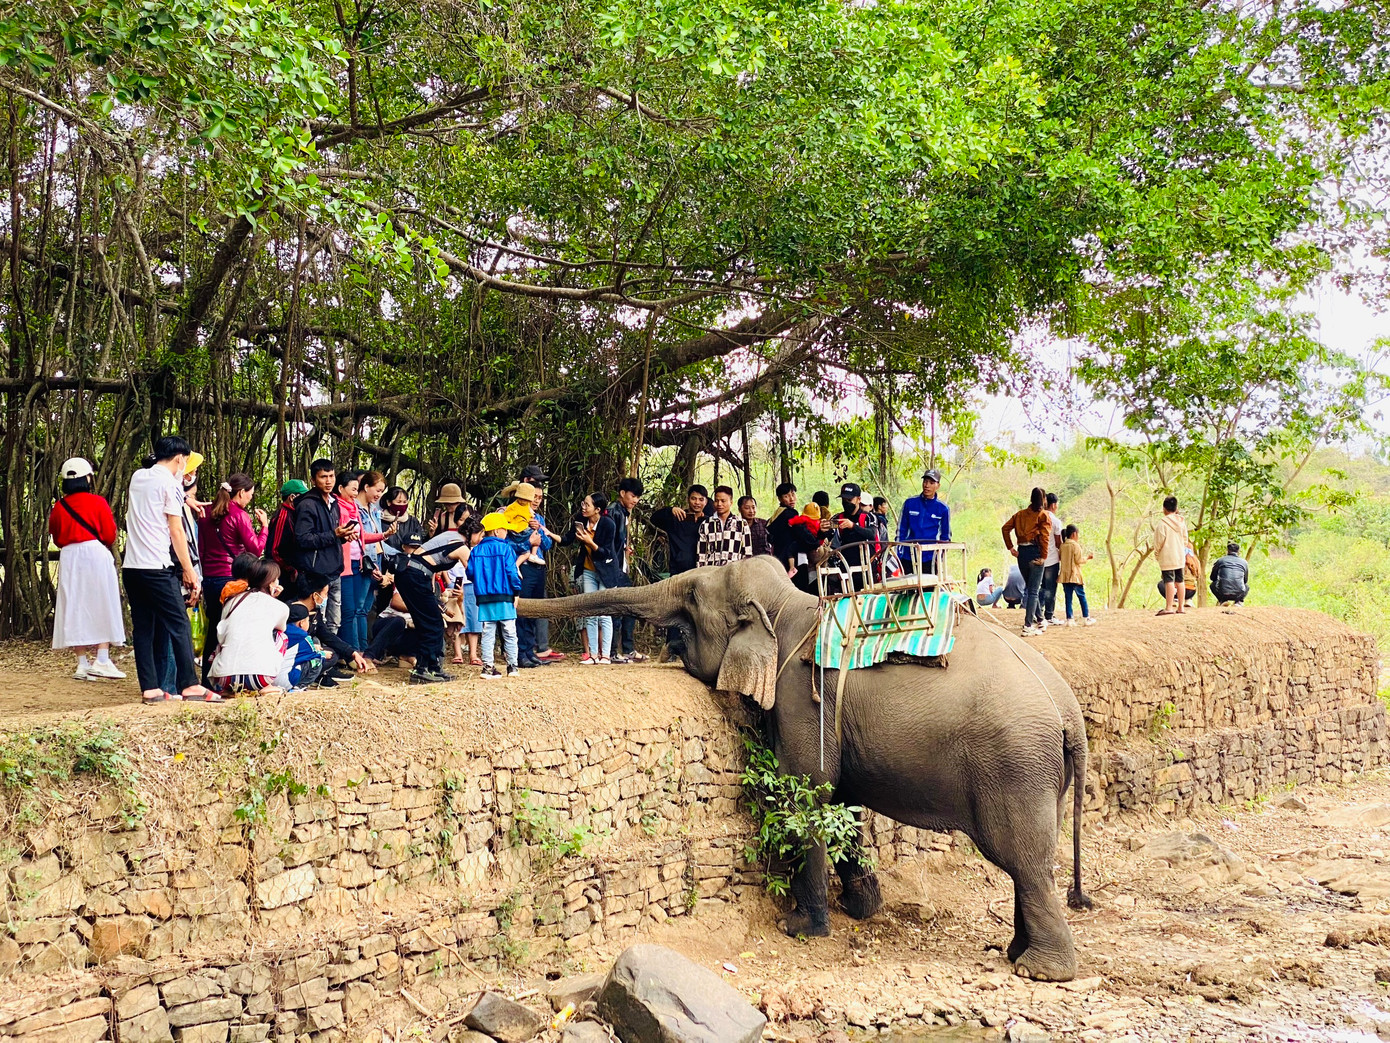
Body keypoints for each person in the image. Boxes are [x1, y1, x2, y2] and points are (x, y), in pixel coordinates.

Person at [123, 436, 216, 703]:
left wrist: (185, 498)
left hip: (133, 568)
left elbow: (159, 496)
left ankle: (150, 688)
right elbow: (176, 530)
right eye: (185, 461)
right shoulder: (170, 484)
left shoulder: (138, 477)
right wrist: (190, 570)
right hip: (157, 567)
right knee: (179, 623)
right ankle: (189, 683)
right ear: (179, 458)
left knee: (143, 628)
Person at [48, 457, 126, 680]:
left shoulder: (59, 506)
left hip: (70, 556)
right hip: (94, 553)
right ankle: (102, 658)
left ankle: (82, 663)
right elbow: (110, 535)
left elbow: (56, 536)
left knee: (74, 604)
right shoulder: (98, 502)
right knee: (103, 601)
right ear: (88, 478)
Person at [199, 473, 269, 684]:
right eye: (250, 494)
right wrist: (265, 526)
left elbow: (201, 548)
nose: (250, 499)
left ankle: (207, 679)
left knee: (213, 629)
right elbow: (255, 549)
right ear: (241, 493)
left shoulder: (206, 512)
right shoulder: (239, 515)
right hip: (230, 579)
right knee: (230, 630)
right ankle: (225, 678)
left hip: (209, 578)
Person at [395, 519, 472, 684]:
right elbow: (473, 571)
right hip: (415, 576)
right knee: (433, 623)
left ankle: (429, 668)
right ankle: (425, 670)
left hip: (409, 574)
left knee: (428, 622)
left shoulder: (449, 535)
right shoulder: (461, 545)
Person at [208, 558, 288, 695]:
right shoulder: (280, 607)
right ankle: (267, 687)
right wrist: (274, 597)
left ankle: (228, 690)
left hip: (223, 677)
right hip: (261, 678)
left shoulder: (231, 602)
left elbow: (221, 634)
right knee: (281, 636)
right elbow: (279, 627)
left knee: (222, 642)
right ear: (271, 584)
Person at [563, 492, 627, 664]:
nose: (583, 507)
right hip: (589, 570)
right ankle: (592, 655)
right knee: (590, 612)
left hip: (607, 572)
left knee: (604, 614)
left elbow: (606, 551)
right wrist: (548, 533)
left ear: (597, 509)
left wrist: (589, 541)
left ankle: (605, 655)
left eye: (587, 505)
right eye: (583, 503)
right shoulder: (581, 520)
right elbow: (567, 539)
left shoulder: (608, 524)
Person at [293, 460, 355, 630]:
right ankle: (315, 654)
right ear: (313, 480)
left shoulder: (333, 502)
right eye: (323, 477)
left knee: (335, 621)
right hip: (315, 572)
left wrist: (343, 536)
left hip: (334, 569)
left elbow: (329, 536)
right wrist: (334, 534)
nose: (328, 481)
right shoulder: (307, 504)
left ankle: (332, 655)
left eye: (331, 476)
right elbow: (303, 539)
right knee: (315, 621)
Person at [338, 470, 394, 654]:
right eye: (377, 490)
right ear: (366, 487)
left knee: (365, 607)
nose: (379, 495)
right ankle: (357, 650)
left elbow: (372, 538)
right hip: (361, 561)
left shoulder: (374, 510)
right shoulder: (352, 508)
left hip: (373, 560)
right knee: (356, 608)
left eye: (382, 491)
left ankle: (364, 649)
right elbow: (361, 538)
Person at [286, 571, 376, 682]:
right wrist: (313, 649)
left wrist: (353, 653)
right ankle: (312, 676)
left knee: (334, 653)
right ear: (315, 595)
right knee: (323, 655)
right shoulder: (289, 611)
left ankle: (318, 672)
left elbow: (327, 635)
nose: (326, 598)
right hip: (291, 656)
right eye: (325, 594)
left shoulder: (315, 612)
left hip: (308, 653)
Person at [470, 512, 524, 679]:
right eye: (504, 529)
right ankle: (513, 666)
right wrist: (516, 591)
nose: (506, 533)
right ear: (496, 531)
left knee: (487, 632)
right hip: (505, 596)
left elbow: (470, 572)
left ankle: (487, 667)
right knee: (509, 632)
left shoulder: (476, 550)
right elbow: (512, 572)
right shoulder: (506, 548)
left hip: (484, 598)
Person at [1001, 487, 1052, 636]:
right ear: (1043, 499)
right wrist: (1043, 556)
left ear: (1031, 498)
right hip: (1035, 552)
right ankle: (1028, 625)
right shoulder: (1043, 516)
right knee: (1033, 591)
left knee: (1030, 588)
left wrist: (1011, 547)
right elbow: (1044, 537)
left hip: (1021, 553)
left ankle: (1041, 620)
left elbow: (1005, 528)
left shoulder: (1020, 515)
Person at [608, 477, 646, 664]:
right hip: (613, 569)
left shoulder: (624, 513)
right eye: (633, 495)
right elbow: (608, 542)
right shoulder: (614, 512)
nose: (635, 500)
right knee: (616, 608)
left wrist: (624, 549)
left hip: (621, 568)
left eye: (638, 497)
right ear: (622, 493)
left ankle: (628, 649)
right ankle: (613, 651)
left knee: (630, 606)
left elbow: (618, 541)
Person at [445, 517, 484, 666]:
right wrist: (449, 583)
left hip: (472, 586)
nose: (481, 538)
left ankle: (473, 654)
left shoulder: (477, 549)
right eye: (479, 534)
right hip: (455, 585)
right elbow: (445, 566)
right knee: (457, 618)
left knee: (474, 620)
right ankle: (457, 653)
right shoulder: (457, 544)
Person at [651, 485, 713, 577]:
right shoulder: (676, 519)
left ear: (706, 502)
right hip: (678, 572)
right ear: (688, 499)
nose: (697, 502)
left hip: (701, 573)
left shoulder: (709, 523)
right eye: (693, 498)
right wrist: (670, 510)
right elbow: (654, 519)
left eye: (701, 499)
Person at [898, 469, 951, 570]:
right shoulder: (910, 503)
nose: (927, 485)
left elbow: (945, 536)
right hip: (908, 556)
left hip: (930, 558)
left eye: (931, 483)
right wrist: (898, 553)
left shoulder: (943, 509)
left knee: (929, 585)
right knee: (908, 584)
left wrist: (940, 558)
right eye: (925, 481)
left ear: (938, 486)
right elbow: (901, 530)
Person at [829, 483, 878, 591]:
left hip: (866, 568)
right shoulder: (838, 518)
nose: (846, 503)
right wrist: (822, 529)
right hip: (845, 568)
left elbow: (871, 534)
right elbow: (828, 534)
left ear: (858, 499)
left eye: (849, 500)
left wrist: (852, 526)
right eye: (844, 500)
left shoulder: (868, 518)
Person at [697, 485, 752, 567]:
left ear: (731, 502)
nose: (719, 504)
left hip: (733, 572)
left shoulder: (741, 524)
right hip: (712, 572)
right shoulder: (706, 524)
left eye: (723, 501)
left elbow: (747, 553)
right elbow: (701, 554)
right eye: (716, 501)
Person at [1153, 495, 1189, 616]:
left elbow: (1158, 542)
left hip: (1167, 555)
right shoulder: (1181, 522)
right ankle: (1181, 607)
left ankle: (1169, 607)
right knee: (1180, 580)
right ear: (1176, 508)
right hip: (1180, 555)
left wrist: (1157, 554)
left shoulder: (1162, 524)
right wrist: (1181, 548)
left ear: (1164, 508)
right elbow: (1185, 540)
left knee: (1168, 580)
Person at [265, 479, 307, 580]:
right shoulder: (283, 516)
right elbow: (274, 551)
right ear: (292, 497)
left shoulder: (294, 515)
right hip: (283, 576)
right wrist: (290, 570)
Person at [1059, 524, 1095, 626]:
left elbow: (1060, 557)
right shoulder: (1075, 545)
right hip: (1074, 575)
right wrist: (1087, 558)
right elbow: (1079, 560)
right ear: (1074, 534)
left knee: (1068, 598)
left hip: (1065, 576)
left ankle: (1069, 619)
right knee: (1081, 596)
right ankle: (1086, 617)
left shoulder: (1062, 545)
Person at [786, 503, 827, 593]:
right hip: (814, 547)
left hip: (807, 548)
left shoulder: (803, 520)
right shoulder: (818, 522)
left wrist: (790, 523)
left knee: (790, 550)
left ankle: (792, 567)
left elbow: (794, 521)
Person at [382, 485, 427, 554]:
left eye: (404, 502)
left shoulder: (413, 521)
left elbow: (421, 541)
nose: (402, 505)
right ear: (389, 502)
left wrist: (430, 535)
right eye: (399, 502)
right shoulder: (380, 521)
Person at [766, 481, 800, 569]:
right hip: (789, 556)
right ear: (780, 499)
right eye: (786, 496)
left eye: (793, 494)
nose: (791, 499)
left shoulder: (778, 512)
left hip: (778, 555)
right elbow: (800, 533)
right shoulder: (790, 513)